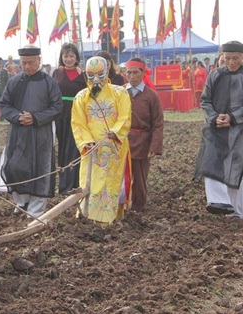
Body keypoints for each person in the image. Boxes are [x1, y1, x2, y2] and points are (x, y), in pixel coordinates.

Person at [194, 41, 243, 219]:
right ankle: (217, 201)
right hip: (216, 127)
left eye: (236, 58)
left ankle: (235, 212)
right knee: (212, 162)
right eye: (227, 58)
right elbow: (205, 100)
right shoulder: (214, 75)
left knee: (239, 167)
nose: (231, 62)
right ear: (222, 57)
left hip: (242, 129)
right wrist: (214, 117)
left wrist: (232, 117)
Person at [0, 45, 63, 218]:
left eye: (31, 62)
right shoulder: (14, 81)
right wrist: (18, 116)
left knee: (40, 169)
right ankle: (21, 202)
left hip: (41, 133)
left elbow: (57, 107)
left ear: (39, 61)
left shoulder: (48, 82)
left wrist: (35, 117)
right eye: (24, 63)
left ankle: (36, 210)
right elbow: (4, 104)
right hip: (18, 132)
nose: (27, 66)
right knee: (15, 166)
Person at [71, 56, 131, 224]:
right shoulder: (80, 97)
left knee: (111, 182)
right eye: (91, 75)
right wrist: (86, 141)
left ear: (107, 72)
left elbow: (125, 117)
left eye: (99, 74)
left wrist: (115, 132)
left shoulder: (120, 92)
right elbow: (78, 123)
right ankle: (87, 215)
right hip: (91, 148)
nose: (95, 79)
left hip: (114, 146)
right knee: (90, 180)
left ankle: (108, 217)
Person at [125, 57, 164, 212]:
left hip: (142, 141)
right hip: (122, 140)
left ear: (143, 73)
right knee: (120, 175)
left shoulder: (151, 96)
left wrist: (155, 146)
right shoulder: (120, 93)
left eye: (135, 72)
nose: (132, 76)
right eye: (129, 73)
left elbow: (158, 123)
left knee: (140, 177)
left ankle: (138, 207)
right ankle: (119, 204)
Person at [52, 43, 86, 195]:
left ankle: (75, 184)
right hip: (61, 114)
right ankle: (64, 186)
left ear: (76, 57)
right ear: (62, 57)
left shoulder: (83, 74)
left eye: (71, 56)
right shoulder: (57, 73)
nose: (68, 59)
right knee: (63, 149)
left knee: (74, 148)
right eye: (66, 56)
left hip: (78, 114)